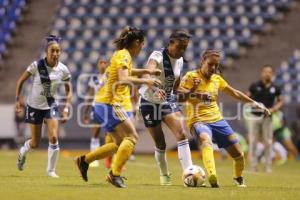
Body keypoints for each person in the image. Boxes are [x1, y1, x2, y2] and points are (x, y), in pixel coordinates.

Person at [75, 26, 161, 188]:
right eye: (142, 44)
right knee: (132, 137)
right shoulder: (124, 55)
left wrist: (145, 71)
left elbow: (127, 72)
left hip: (103, 104)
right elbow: (123, 78)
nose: (142, 47)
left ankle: (84, 161)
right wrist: (146, 80)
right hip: (111, 104)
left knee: (119, 143)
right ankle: (114, 174)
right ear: (137, 42)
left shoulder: (121, 54)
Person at [177, 50, 270, 187]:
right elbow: (179, 96)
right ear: (203, 61)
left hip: (218, 120)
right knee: (206, 140)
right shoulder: (191, 77)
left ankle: (238, 177)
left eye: (216, 65)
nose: (213, 68)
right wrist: (196, 92)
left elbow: (235, 93)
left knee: (239, 154)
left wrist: (255, 103)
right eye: (210, 64)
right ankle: (212, 176)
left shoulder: (217, 79)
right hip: (198, 121)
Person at [139, 30, 193, 186]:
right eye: (179, 47)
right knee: (161, 144)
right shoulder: (157, 56)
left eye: (185, 48)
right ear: (171, 43)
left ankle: (189, 174)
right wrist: (156, 89)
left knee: (181, 133)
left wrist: (192, 92)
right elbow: (146, 76)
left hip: (167, 100)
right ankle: (164, 175)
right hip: (149, 101)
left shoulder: (180, 60)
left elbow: (176, 87)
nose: (182, 51)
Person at [15, 35, 72, 178]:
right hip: (34, 106)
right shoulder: (36, 66)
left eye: (58, 51)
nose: (55, 54)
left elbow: (69, 90)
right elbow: (20, 81)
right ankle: (23, 152)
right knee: (35, 143)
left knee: (53, 137)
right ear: (46, 52)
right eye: (52, 51)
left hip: (51, 105)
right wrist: (18, 100)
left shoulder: (63, 69)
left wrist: (66, 108)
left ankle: (51, 170)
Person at [247, 65, 283, 172]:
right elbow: (246, 97)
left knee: (268, 142)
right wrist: (252, 104)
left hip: (267, 117)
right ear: (261, 73)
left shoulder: (275, 87)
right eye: (265, 72)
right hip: (254, 116)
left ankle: (268, 167)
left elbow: (281, 101)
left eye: (270, 72)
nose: (267, 74)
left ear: (272, 74)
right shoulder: (254, 85)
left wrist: (274, 109)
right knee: (253, 141)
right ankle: (253, 166)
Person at [82, 58, 109, 167]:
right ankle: (93, 158)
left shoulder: (111, 77)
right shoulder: (93, 79)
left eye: (104, 62)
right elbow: (90, 95)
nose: (102, 65)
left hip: (108, 107)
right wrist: (85, 112)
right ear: (98, 65)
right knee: (95, 133)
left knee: (109, 134)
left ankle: (109, 160)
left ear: (108, 64)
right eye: (100, 63)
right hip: (96, 107)